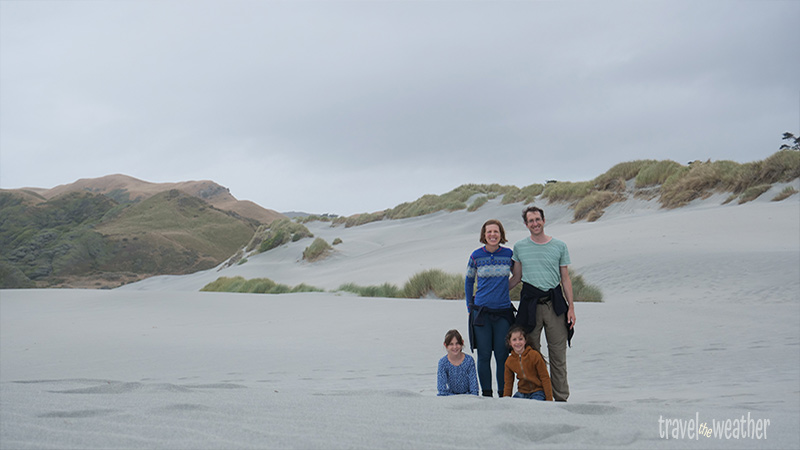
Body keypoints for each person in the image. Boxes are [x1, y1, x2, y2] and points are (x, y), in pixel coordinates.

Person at [511, 206, 575, 402]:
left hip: (554, 304)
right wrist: (492, 293)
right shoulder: (520, 247)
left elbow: (565, 278)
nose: (535, 223)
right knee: (532, 356)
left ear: (544, 220)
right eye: (530, 221)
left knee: (558, 355)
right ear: (526, 224)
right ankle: (539, 397)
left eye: (537, 219)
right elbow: (517, 277)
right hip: (530, 306)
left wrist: (571, 307)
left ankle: (561, 398)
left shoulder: (559, 246)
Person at [465, 219, 520, 397]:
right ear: (484, 235)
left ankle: (503, 394)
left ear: (501, 234)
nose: (492, 235)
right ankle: (487, 395)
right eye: (489, 232)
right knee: (484, 356)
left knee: (502, 356)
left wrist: (504, 288)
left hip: (503, 313)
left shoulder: (508, 254)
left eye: (496, 232)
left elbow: (518, 276)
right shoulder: (476, 256)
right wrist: (469, 305)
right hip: (481, 313)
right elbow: (469, 281)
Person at [503, 325, 553, 400]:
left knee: (535, 406)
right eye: (514, 340)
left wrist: (549, 399)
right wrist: (506, 400)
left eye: (520, 339)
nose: (518, 342)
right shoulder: (509, 361)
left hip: (537, 392)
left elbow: (545, 378)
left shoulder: (534, 355)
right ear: (509, 342)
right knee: (515, 407)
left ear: (525, 340)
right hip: (522, 392)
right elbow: (508, 383)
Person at [437, 329, 479, 396]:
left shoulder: (469, 360)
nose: (455, 347)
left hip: (467, 396)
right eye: (451, 344)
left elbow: (474, 388)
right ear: (445, 345)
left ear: (462, 343)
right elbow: (441, 389)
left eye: (457, 343)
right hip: (450, 396)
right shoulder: (443, 363)